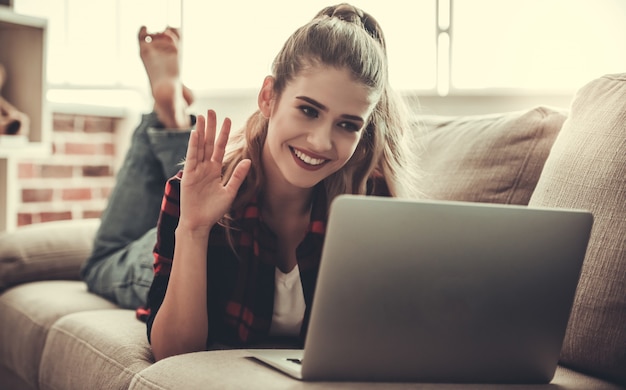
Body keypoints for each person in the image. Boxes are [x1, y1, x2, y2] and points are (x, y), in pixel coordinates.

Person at [81, 3, 422, 361]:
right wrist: (193, 228)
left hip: (232, 193)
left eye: (348, 124)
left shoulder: (371, 205)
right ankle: (168, 116)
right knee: (103, 263)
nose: (322, 142)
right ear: (268, 97)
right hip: (203, 235)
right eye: (308, 110)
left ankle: (174, 119)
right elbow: (175, 353)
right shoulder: (199, 202)